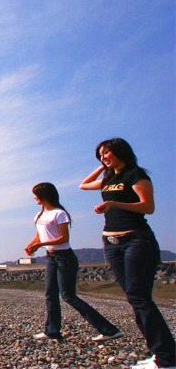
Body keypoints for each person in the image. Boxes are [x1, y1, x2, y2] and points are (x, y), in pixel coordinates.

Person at [80, 138, 175, 369]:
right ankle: (160, 353)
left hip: (136, 240)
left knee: (140, 298)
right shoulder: (108, 178)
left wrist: (115, 204)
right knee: (134, 298)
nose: (103, 157)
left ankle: (167, 358)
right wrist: (104, 166)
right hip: (112, 243)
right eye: (100, 154)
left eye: (107, 153)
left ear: (121, 151)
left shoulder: (135, 174)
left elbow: (147, 206)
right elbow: (83, 184)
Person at [24, 182, 123, 342]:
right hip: (51, 258)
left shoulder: (59, 213)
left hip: (65, 257)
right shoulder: (39, 215)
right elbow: (39, 235)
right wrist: (31, 246)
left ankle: (109, 330)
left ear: (45, 195)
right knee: (50, 295)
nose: (34, 197)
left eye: (36, 194)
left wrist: (40, 244)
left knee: (68, 296)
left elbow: (64, 238)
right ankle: (52, 331)